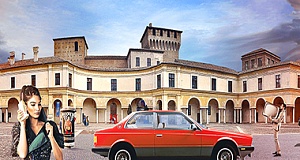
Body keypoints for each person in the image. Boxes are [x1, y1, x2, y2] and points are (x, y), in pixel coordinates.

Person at [11, 85, 64, 160]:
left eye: (39, 104)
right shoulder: (18, 128)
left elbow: (60, 158)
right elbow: (22, 154)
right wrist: (23, 124)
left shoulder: (50, 126)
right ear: (24, 106)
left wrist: (51, 137)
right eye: (33, 104)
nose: (37, 108)